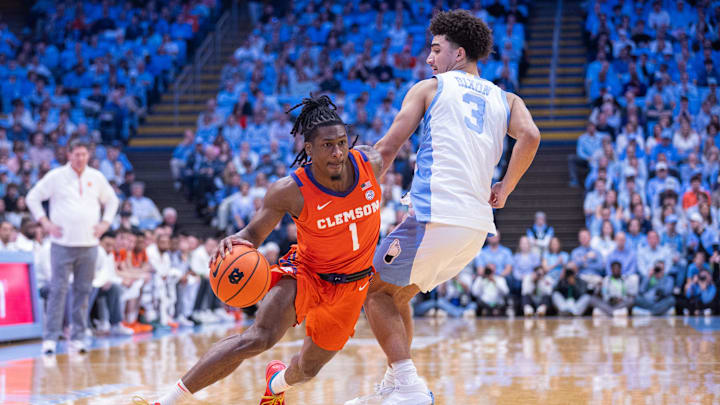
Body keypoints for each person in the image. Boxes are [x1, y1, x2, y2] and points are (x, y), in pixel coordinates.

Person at [137, 95, 383, 405]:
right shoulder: (289, 190)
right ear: (309, 149)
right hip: (306, 273)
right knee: (258, 338)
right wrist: (235, 239)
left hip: (353, 285)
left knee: (308, 369)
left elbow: (399, 132)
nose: (337, 152)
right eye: (327, 145)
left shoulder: (369, 164)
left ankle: (276, 384)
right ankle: (165, 401)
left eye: (342, 143)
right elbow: (253, 232)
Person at [349, 10, 540, 405]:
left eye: (436, 49)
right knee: (397, 296)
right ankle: (397, 384)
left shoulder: (430, 88)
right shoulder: (507, 99)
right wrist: (504, 187)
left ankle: (410, 386)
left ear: (458, 53)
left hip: (436, 217)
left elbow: (384, 152)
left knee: (372, 291)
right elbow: (532, 136)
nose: (429, 59)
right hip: (474, 230)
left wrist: (340, 174)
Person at [26, 140, 119, 354]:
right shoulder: (56, 176)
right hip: (62, 244)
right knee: (58, 291)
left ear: (89, 155)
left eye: (84, 154)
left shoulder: (96, 177)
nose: (80, 158)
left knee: (83, 292)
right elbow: (32, 197)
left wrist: (105, 223)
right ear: (69, 155)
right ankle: (50, 338)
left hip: (89, 244)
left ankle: (78, 337)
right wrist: (45, 223)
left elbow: (112, 201)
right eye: (76, 154)